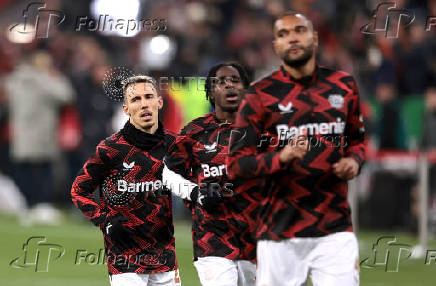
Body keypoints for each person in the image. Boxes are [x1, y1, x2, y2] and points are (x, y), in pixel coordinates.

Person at [227, 12, 366, 286]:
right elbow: (236, 166)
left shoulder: (344, 86)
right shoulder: (258, 96)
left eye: (299, 30)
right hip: (279, 231)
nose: (292, 38)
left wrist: (355, 161)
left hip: (334, 229)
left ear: (314, 38)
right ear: (275, 45)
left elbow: (358, 140)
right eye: (283, 34)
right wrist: (280, 158)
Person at [71, 75, 181, 286]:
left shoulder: (174, 146)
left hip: (165, 259)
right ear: (126, 109)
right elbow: (79, 190)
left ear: (159, 102)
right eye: (136, 99)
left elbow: (199, 185)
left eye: (148, 96)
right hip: (125, 261)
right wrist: (105, 220)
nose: (144, 104)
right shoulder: (110, 149)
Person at [163, 63, 257, 286]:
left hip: (258, 239)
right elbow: (167, 173)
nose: (229, 86)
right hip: (212, 239)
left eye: (235, 81)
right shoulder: (195, 132)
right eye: (221, 82)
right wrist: (197, 193)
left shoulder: (263, 131)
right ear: (211, 92)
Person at [6, 50, 74, 223]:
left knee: (25, 168)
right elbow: (66, 95)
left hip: (23, 132)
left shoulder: (15, 78)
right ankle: (40, 206)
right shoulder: (45, 80)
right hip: (42, 132)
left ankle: (27, 205)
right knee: (43, 169)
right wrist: (55, 78)